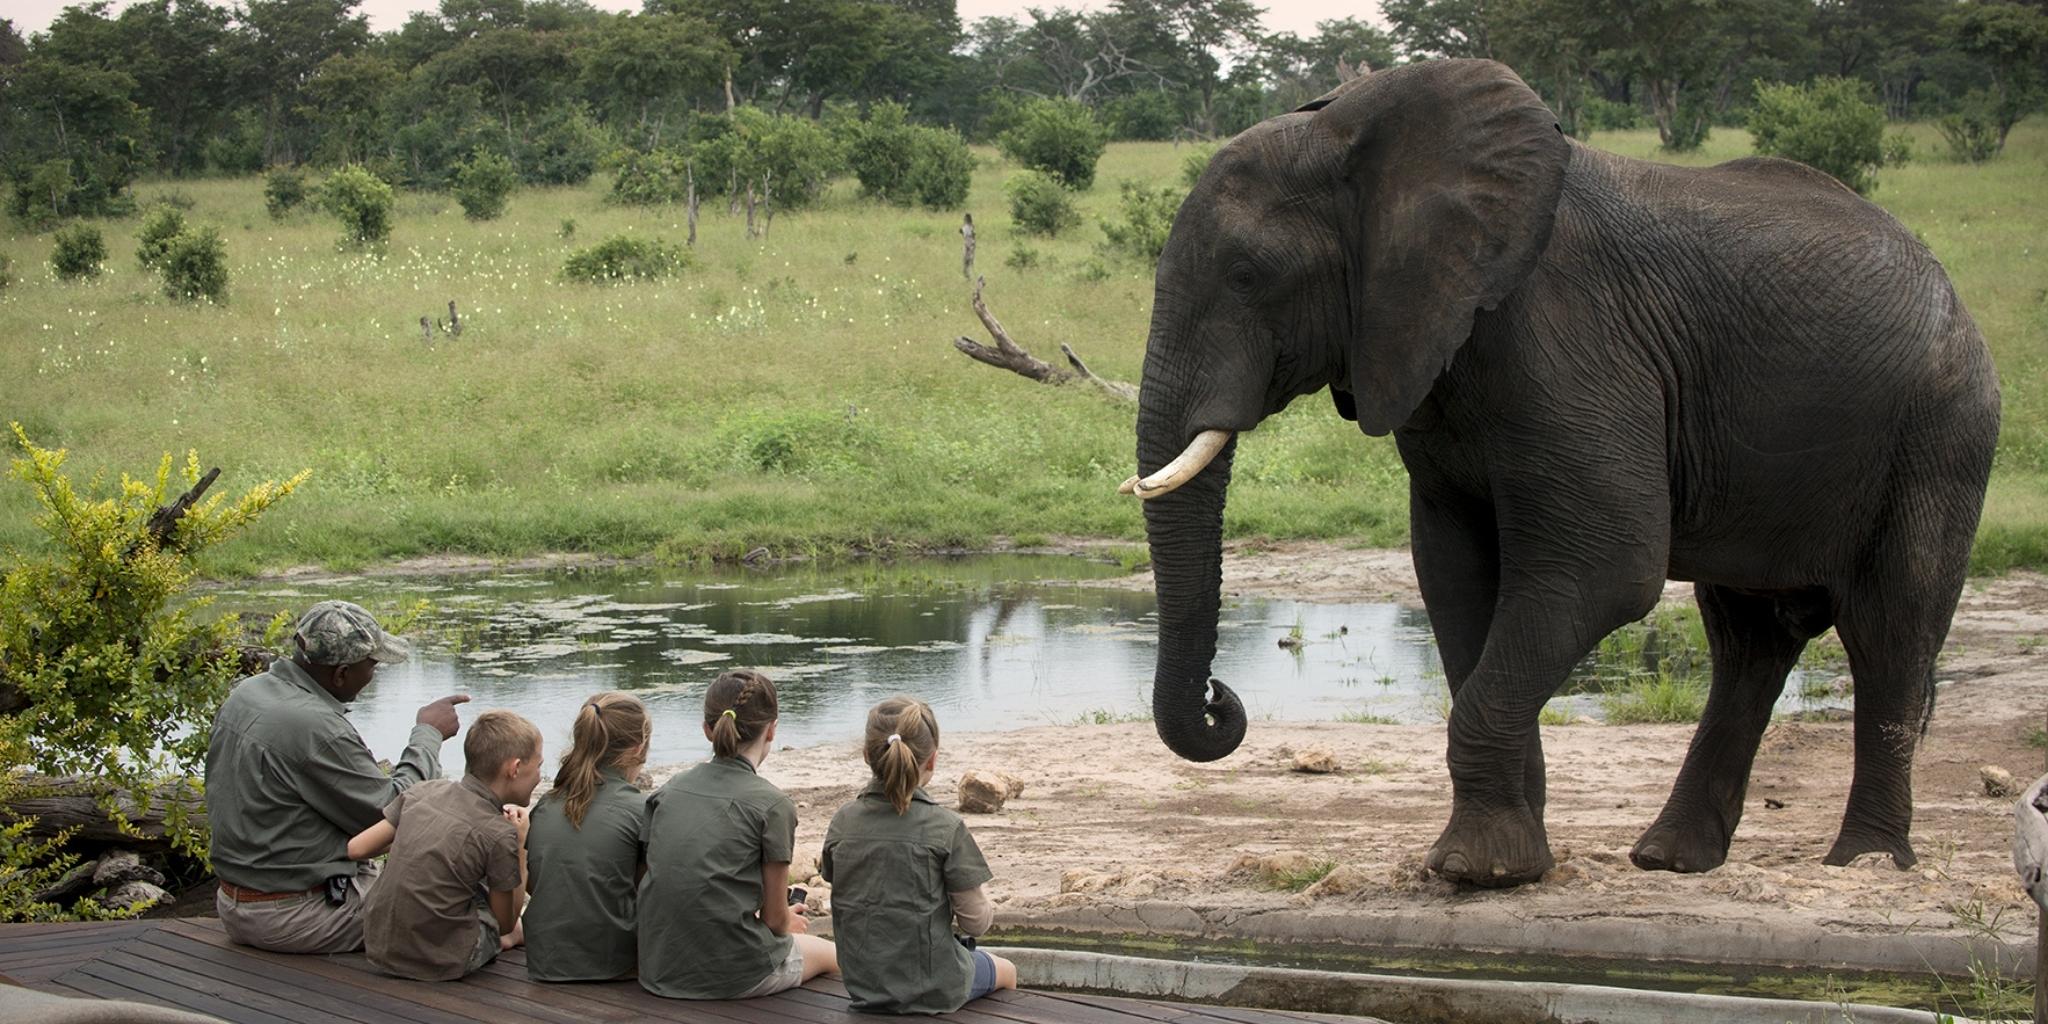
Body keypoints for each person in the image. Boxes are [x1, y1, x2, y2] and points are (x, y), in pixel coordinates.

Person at [205, 599, 469, 954]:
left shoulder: (249, 692)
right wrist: (428, 734)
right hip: (297, 916)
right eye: (371, 665)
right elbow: (396, 812)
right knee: (461, 907)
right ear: (341, 673)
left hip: (238, 902)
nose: (373, 675)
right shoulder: (316, 726)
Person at [638, 670, 838, 999]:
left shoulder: (667, 792)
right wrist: (786, 920)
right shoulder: (773, 805)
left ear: (707, 729)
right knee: (833, 955)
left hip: (658, 968)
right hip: (735, 976)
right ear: (772, 730)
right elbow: (775, 923)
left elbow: (657, 885)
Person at [822, 696, 1017, 1014]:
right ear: (932, 760)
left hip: (863, 986)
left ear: (866, 755)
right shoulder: (946, 827)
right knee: (1006, 970)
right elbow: (976, 924)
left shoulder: (842, 820)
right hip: (933, 986)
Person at [347, 710, 542, 981]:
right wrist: (520, 845)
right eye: (539, 767)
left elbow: (357, 848)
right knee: (511, 922)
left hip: (380, 946)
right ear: (515, 768)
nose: (540, 777)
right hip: (440, 961)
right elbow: (503, 923)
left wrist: (427, 837)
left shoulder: (423, 792)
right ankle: (510, 941)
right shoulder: (498, 834)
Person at [523, 692, 651, 981]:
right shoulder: (641, 809)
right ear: (637, 748)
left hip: (546, 962)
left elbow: (538, 882)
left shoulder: (546, 804)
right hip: (615, 964)